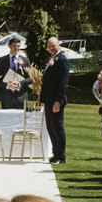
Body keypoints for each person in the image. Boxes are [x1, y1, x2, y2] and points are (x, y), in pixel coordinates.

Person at [39, 34, 71, 164]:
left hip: (56, 100)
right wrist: (41, 98)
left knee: (57, 128)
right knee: (50, 127)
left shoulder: (62, 60)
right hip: (48, 100)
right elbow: (47, 82)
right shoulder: (52, 59)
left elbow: (63, 83)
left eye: (54, 45)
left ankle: (61, 156)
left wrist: (58, 101)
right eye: (49, 46)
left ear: (59, 45)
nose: (51, 48)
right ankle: (55, 153)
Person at [0, 35, 31, 111]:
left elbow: (30, 78)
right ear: (9, 46)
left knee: (21, 121)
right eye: (14, 46)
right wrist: (8, 85)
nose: (16, 48)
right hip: (6, 97)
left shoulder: (25, 60)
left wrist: (19, 84)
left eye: (18, 46)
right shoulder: (2, 60)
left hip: (21, 96)